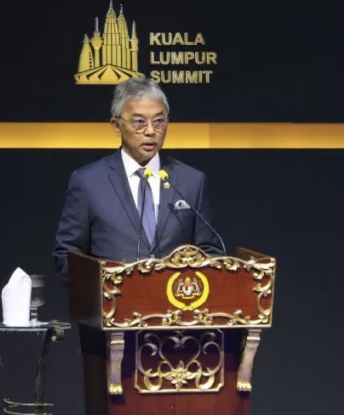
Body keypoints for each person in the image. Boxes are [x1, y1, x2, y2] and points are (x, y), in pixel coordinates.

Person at [52, 77, 223, 285]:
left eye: (159, 121)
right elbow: (68, 254)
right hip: (112, 302)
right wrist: (100, 293)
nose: (150, 131)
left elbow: (210, 251)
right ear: (116, 125)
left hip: (176, 302)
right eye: (139, 122)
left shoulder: (191, 181)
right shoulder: (88, 182)